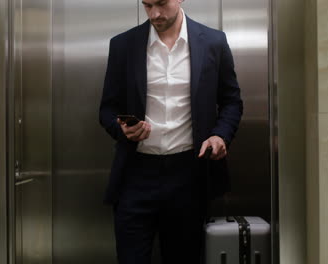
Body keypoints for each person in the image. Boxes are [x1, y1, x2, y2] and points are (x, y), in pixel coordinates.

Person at [99, 0, 243, 263]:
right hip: (135, 176)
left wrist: (220, 135)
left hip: (189, 175)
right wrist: (121, 129)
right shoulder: (123, 45)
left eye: (162, 4)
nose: (155, 14)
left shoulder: (213, 41)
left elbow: (231, 100)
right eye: (147, 5)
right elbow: (107, 109)